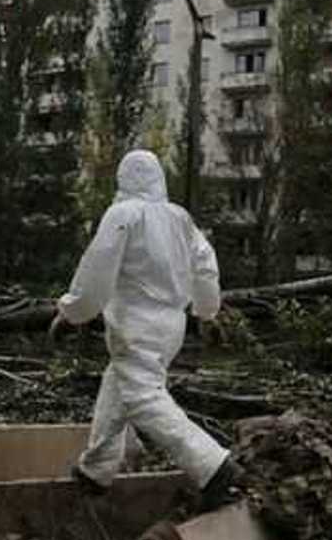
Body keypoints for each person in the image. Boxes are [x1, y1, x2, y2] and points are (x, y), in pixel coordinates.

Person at [50, 149, 242, 507]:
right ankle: (97, 469)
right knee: (119, 383)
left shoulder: (123, 214)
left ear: (123, 178)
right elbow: (206, 265)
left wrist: (71, 311)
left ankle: (213, 466)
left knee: (144, 399)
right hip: (172, 323)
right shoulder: (179, 218)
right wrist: (206, 312)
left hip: (135, 324)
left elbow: (96, 270)